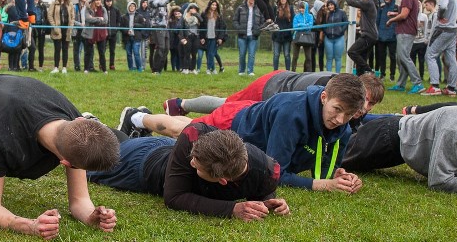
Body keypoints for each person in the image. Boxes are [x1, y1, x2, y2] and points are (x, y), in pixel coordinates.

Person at [0, 75, 119, 239]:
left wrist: (91, 216)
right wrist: (30, 226)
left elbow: (79, 201)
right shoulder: (2, 133)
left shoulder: (75, 131)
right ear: (67, 163)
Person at [123, 74, 367, 193]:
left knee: (186, 123)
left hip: (254, 119)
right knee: (183, 130)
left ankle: (141, 117)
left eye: (348, 115)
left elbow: (322, 165)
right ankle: (136, 117)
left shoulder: (342, 127)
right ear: (324, 97)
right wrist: (324, 186)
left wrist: (340, 175)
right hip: (235, 122)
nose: (340, 120)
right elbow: (276, 174)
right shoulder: (291, 115)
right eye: (337, 110)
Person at [87, 123, 289, 220]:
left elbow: (261, 188)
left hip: (155, 156)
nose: (191, 162)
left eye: (196, 165)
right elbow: (174, 197)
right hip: (145, 161)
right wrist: (231, 209)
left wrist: (268, 202)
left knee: (120, 143)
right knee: (93, 161)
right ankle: (92, 123)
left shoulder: (269, 172)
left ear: (221, 180)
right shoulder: (193, 135)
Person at [163, 70, 384, 134]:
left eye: (371, 105)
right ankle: (180, 104)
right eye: (366, 101)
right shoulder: (334, 90)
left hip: (280, 86)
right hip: (271, 86)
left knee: (226, 107)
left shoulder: (347, 97)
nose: (365, 108)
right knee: (227, 105)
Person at [422, 0, 457, 96]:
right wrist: (451, 19)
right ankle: (451, 88)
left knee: (431, 55)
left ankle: (434, 86)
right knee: (451, 58)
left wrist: (440, 16)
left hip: (442, 29)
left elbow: (443, 6)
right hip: (452, 30)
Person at [386, 0, 423, 93]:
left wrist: (391, 20)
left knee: (404, 57)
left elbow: (404, 15)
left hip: (406, 31)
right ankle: (401, 84)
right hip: (406, 30)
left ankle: (418, 84)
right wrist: (394, 13)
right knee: (401, 58)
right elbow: (405, 13)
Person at [147, 0, 185, 74]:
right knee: (161, 47)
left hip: (165, 25)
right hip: (157, 26)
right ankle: (155, 70)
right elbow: (161, 3)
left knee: (166, 48)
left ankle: (159, 70)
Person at [342, 0, 378, 75]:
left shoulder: (369, 3)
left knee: (352, 52)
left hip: (368, 36)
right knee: (360, 59)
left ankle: (369, 70)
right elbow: (357, 0)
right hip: (371, 36)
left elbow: (350, 2)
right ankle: (360, 79)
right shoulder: (368, 3)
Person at [234, 0, 264, 76]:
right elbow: (235, 20)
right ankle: (241, 71)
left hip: (253, 36)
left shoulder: (259, 9)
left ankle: (250, 71)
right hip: (242, 36)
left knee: (251, 55)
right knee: (242, 54)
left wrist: (258, 30)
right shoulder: (240, 8)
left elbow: (263, 21)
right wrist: (239, 28)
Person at [200, 0, 228, 75]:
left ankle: (209, 69)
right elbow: (201, 27)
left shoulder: (219, 15)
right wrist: (202, 37)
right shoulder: (204, 14)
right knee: (211, 53)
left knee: (211, 53)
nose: (214, 6)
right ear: (209, 5)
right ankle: (214, 69)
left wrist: (220, 38)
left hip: (215, 37)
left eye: (215, 5)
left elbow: (222, 27)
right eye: (213, 5)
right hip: (207, 36)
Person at [375, 0, 398, 81]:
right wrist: (377, 32)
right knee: (382, 56)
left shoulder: (396, 7)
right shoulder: (381, 8)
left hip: (392, 36)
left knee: (392, 56)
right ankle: (382, 74)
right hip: (381, 35)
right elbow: (377, 20)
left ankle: (392, 75)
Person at [49, 0, 73, 74]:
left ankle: (64, 68)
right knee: (57, 49)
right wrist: (54, 26)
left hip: (66, 30)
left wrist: (71, 26)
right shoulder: (54, 3)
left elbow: (73, 17)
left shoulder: (70, 4)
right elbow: (50, 15)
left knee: (65, 49)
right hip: (57, 30)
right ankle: (56, 67)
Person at [84, 0, 108, 73]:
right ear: (93, 1)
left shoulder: (103, 9)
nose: (98, 1)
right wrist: (99, 18)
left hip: (101, 34)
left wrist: (94, 19)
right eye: (97, 0)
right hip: (90, 33)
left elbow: (105, 21)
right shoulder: (88, 9)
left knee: (102, 52)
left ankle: (104, 70)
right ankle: (86, 69)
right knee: (88, 52)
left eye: (99, 0)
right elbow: (88, 19)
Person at [322, 0, 348, 73]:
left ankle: (337, 75)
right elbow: (323, 24)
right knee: (329, 58)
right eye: (329, 5)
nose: (330, 6)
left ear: (335, 4)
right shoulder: (326, 14)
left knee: (338, 58)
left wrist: (341, 31)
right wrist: (326, 32)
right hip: (328, 39)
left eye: (331, 4)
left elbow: (345, 23)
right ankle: (328, 75)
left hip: (339, 38)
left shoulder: (341, 12)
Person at [410, 0, 433, 81]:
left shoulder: (424, 16)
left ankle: (422, 75)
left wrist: (426, 39)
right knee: (412, 60)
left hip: (422, 42)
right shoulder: (411, 16)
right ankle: (413, 76)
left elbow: (426, 27)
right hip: (413, 42)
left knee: (421, 60)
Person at [122, 0, 148, 71]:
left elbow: (143, 25)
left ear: (135, 7)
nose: (132, 7)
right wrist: (126, 31)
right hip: (127, 38)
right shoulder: (124, 17)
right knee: (129, 54)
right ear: (128, 7)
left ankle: (139, 67)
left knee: (136, 53)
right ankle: (131, 68)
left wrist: (135, 25)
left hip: (136, 37)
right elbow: (121, 27)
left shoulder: (139, 16)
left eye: (133, 6)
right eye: (130, 6)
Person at [290, 0, 315, 73]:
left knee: (308, 57)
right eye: (300, 8)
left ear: (306, 8)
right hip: (297, 37)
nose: (301, 10)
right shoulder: (296, 16)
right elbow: (295, 27)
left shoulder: (310, 16)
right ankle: (293, 71)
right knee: (295, 57)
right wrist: (304, 25)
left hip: (307, 38)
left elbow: (310, 27)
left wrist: (300, 24)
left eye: (303, 8)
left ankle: (308, 72)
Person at [29, 0, 49, 71]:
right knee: (32, 48)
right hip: (32, 28)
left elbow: (46, 17)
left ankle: (41, 66)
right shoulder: (30, 6)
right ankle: (31, 66)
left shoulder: (42, 6)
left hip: (41, 29)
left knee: (41, 49)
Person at [272, 0, 293, 71]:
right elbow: (273, 20)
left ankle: (288, 71)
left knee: (287, 55)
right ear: (279, 0)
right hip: (277, 35)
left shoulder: (290, 8)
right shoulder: (276, 8)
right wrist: (275, 29)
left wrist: (288, 30)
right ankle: (275, 71)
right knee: (276, 55)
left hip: (287, 36)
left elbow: (292, 21)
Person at [179, 3, 201, 74]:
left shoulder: (197, 17)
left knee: (194, 53)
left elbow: (202, 21)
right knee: (187, 53)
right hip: (187, 36)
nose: (193, 10)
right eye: (192, 8)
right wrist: (182, 38)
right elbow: (181, 28)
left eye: (195, 9)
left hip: (196, 36)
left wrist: (196, 14)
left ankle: (192, 68)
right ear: (188, 9)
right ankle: (185, 68)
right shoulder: (184, 17)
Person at [102, 0, 120, 71]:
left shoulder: (116, 10)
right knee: (102, 50)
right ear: (105, 2)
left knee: (112, 50)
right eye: (107, 1)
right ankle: (101, 64)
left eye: (110, 1)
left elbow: (118, 21)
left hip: (113, 34)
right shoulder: (102, 10)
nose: (109, 3)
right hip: (104, 34)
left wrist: (116, 29)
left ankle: (112, 64)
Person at [72, 0, 89, 71]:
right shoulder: (74, 7)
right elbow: (72, 20)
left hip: (85, 31)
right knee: (77, 50)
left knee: (86, 50)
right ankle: (77, 66)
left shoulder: (87, 7)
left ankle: (87, 66)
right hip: (77, 31)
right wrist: (80, 24)